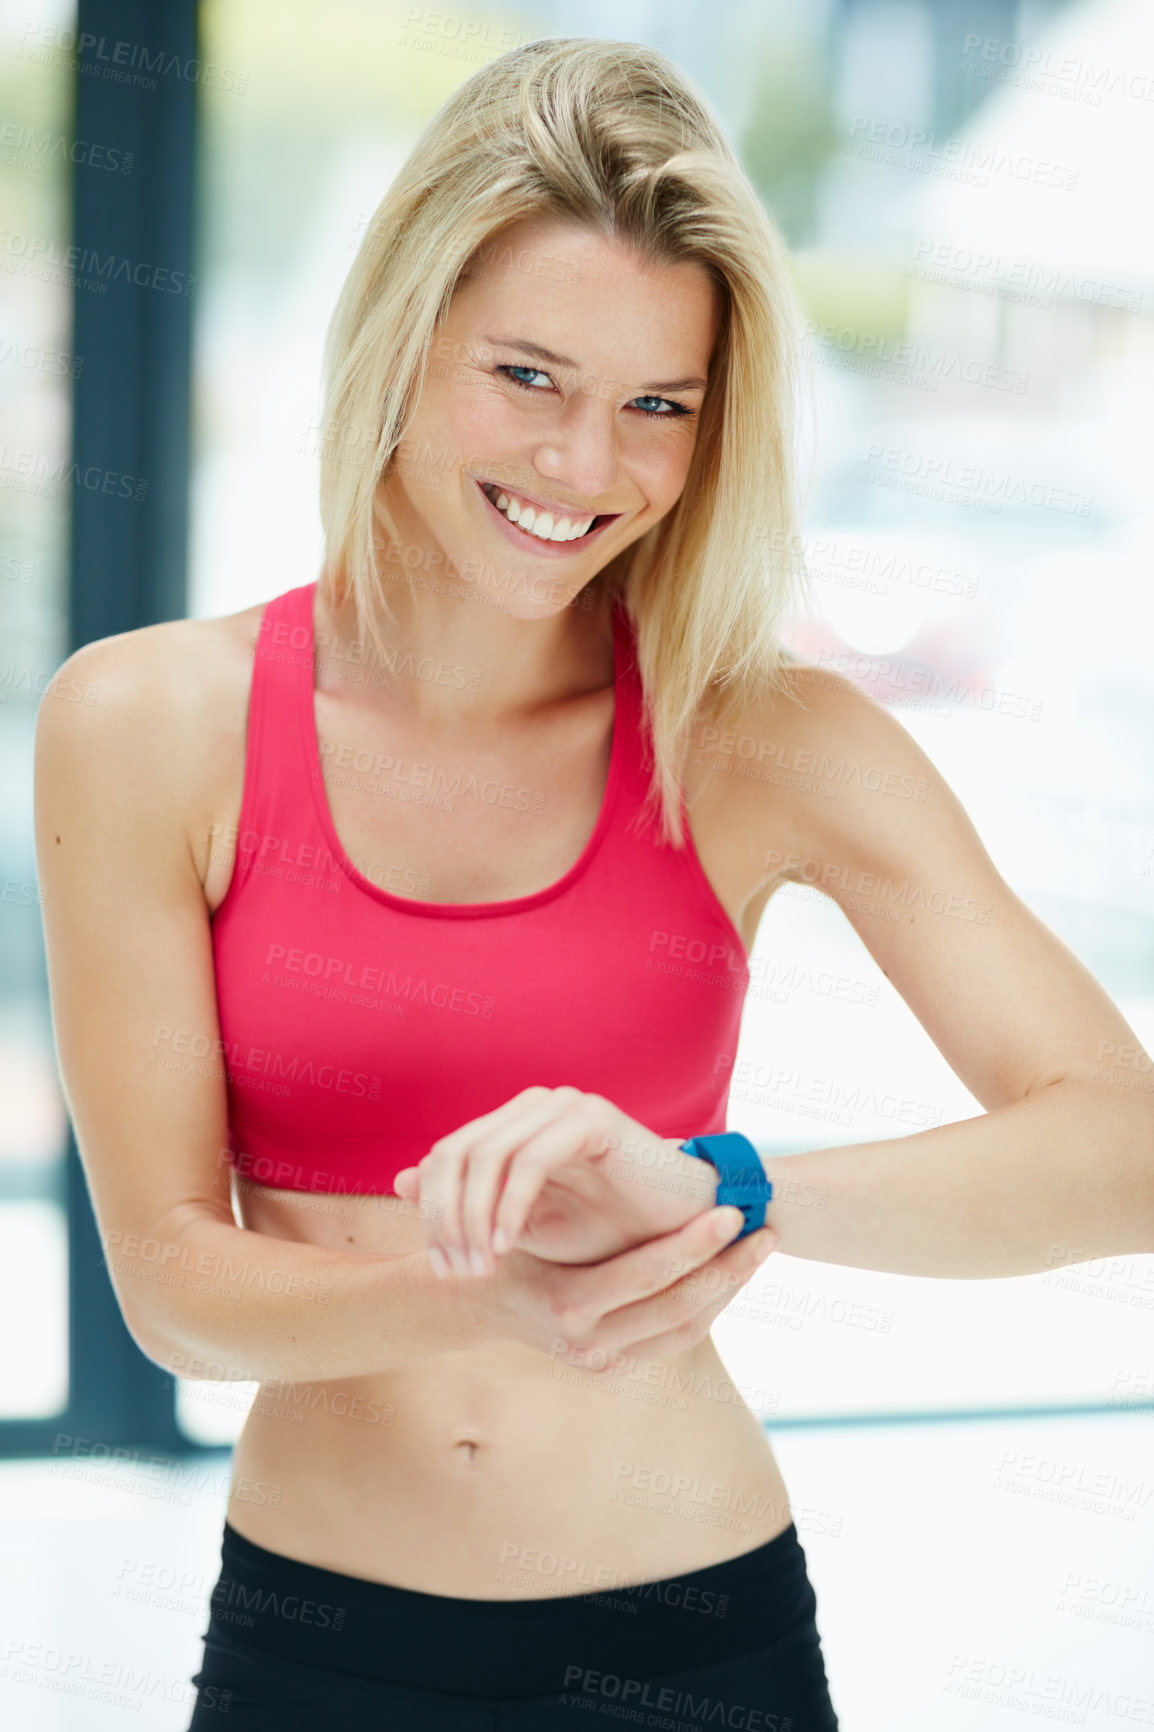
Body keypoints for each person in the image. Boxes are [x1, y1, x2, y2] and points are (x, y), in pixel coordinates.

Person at [34, 35, 1153, 1732]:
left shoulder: (767, 737)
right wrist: (481, 1290)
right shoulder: (143, 727)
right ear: (402, 341)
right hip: (317, 1649)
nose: (582, 466)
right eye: (527, 376)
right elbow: (178, 1291)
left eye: (658, 406)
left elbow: (1120, 1156)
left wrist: (719, 1188)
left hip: (696, 1644)